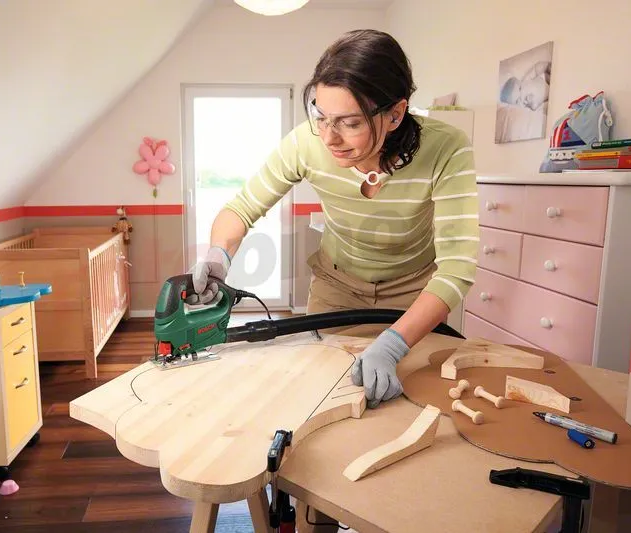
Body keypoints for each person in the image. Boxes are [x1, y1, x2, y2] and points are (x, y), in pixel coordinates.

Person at [188, 29, 478, 409]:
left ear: (395, 113)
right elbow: (242, 208)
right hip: (336, 289)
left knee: (410, 403)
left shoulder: (446, 148)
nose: (328, 138)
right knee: (322, 397)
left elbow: (457, 267)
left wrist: (394, 344)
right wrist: (218, 255)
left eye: (350, 123)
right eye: (321, 117)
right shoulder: (305, 143)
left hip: (415, 295)